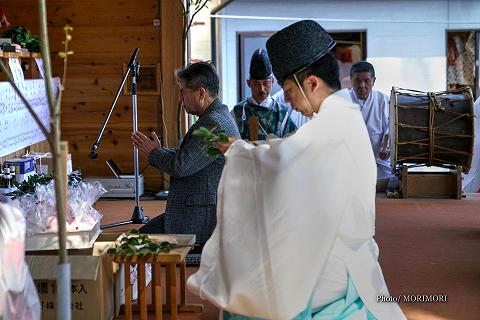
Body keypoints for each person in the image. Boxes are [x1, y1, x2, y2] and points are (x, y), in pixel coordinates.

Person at [188, 20, 405, 319]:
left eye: (289, 90)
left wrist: (239, 151)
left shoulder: (332, 123)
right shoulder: (341, 114)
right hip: (339, 245)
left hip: (332, 260)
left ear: (312, 83)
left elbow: (287, 162)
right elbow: (292, 153)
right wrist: (252, 150)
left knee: (250, 293)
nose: (287, 100)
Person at [131, 62, 240, 251]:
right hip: (194, 211)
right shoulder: (217, 116)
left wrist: (153, 152)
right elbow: (190, 156)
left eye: (182, 92)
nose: (181, 98)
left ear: (201, 93)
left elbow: (182, 165)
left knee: (134, 245)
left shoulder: (214, 123)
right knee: (135, 241)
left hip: (199, 220)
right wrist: (159, 150)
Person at [349, 61, 394, 192]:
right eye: (357, 80)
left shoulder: (384, 101)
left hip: (378, 162)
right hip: (350, 162)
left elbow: (391, 129)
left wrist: (386, 149)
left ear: (373, 81)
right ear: (351, 80)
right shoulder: (342, 100)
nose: (362, 85)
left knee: (393, 181)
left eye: (366, 81)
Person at [232, 49, 297, 140]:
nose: (261, 88)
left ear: (272, 82)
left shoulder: (281, 112)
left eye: (265, 83)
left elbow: (292, 144)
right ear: (248, 83)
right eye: (256, 84)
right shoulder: (237, 111)